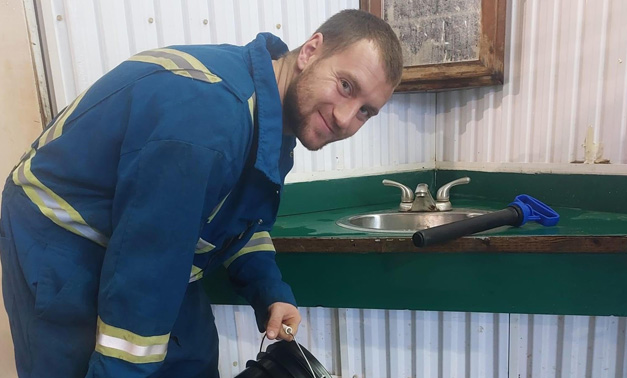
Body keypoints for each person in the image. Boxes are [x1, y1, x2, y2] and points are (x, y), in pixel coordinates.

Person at [0, 8, 402, 378]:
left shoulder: (272, 123)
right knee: (112, 356)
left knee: (191, 357)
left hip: (153, 239)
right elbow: (145, 275)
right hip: (61, 236)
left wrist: (270, 292)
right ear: (311, 51)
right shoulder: (210, 119)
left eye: (366, 110)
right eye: (347, 85)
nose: (346, 118)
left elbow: (238, 221)